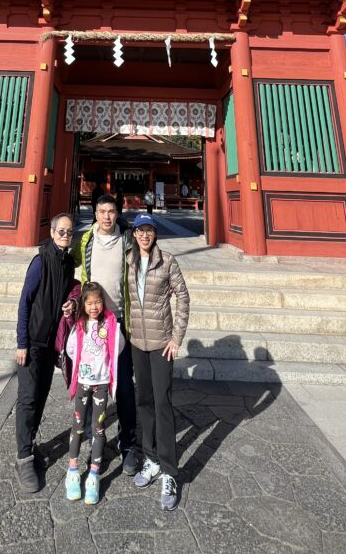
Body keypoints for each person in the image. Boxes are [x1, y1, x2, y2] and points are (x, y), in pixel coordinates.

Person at [71, 194, 139, 474]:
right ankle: (89, 441)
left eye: (111, 211)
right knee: (87, 385)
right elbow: (68, 262)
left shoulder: (128, 239)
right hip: (92, 322)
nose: (107, 217)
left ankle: (128, 444)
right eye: (102, 211)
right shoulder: (85, 240)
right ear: (94, 213)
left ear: (117, 214)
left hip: (119, 320)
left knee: (123, 385)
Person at [127, 212, 189, 512]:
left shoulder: (167, 262)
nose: (144, 235)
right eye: (140, 231)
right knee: (145, 402)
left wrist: (176, 337)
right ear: (134, 234)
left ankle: (169, 471)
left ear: (155, 234)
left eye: (149, 230)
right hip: (138, 342)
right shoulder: (128, 261)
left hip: (162, 344)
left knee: (163, 404)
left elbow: (183, 297)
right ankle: (150, 459)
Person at [14, 213, 76, 492]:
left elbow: (70, 291)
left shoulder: (67, 263)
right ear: (52, 233)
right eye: (61, 231)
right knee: (27, 398)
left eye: (69, 232)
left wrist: (71, 305)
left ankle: (30, 443)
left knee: (39, 397)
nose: (65, 235)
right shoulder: (40, 262)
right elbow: (25, 302)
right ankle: (24, 457)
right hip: (33, 342)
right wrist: (21, 342)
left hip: (52, 343)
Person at [65, 281, 125, 505]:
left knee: (98, 427)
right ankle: (72, 470)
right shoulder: (80, 324)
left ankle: (94, 474)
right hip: (82, 382)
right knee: (78, 425)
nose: (94, 307)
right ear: (83, 303)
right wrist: (83, 366)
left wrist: (104, 364)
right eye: (89, 303)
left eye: (98, 302)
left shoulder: (109, 323)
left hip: (101, 383)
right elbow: (71, 348)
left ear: (103, 303)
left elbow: (119, 346)